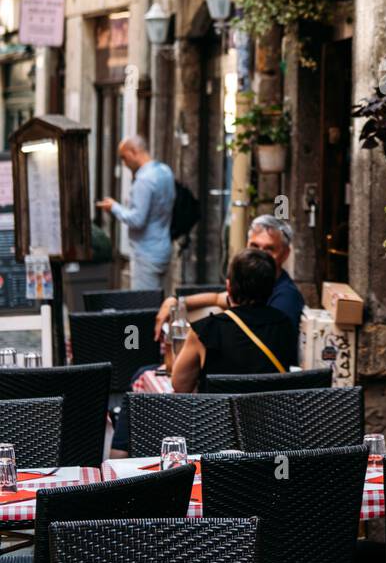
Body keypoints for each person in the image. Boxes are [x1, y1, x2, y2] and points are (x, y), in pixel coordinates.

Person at [154, 214, 304, 357]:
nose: (259, 255)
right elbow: (217, 298)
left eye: (269, 249)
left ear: (285, 254)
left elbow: (263, 349)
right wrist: (176, 301)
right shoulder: (252, 287)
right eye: (254, 246)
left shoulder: (285, 297)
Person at [172, 248, 296, 391]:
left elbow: (180, 385)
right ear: (272, 288)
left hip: (217, 412)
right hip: (271, 412)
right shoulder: (284, 325)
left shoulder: (207, 331)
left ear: (228, 287)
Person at [96, 135, 175, 292]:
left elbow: (137, 219)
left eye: (124, 157)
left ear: (134, 151)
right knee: (159, 301)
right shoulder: (165, 171)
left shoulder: (144, 180)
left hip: (146, 252)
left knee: (144, 305)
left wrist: (114, 207)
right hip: (163, 246)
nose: (124, 163)